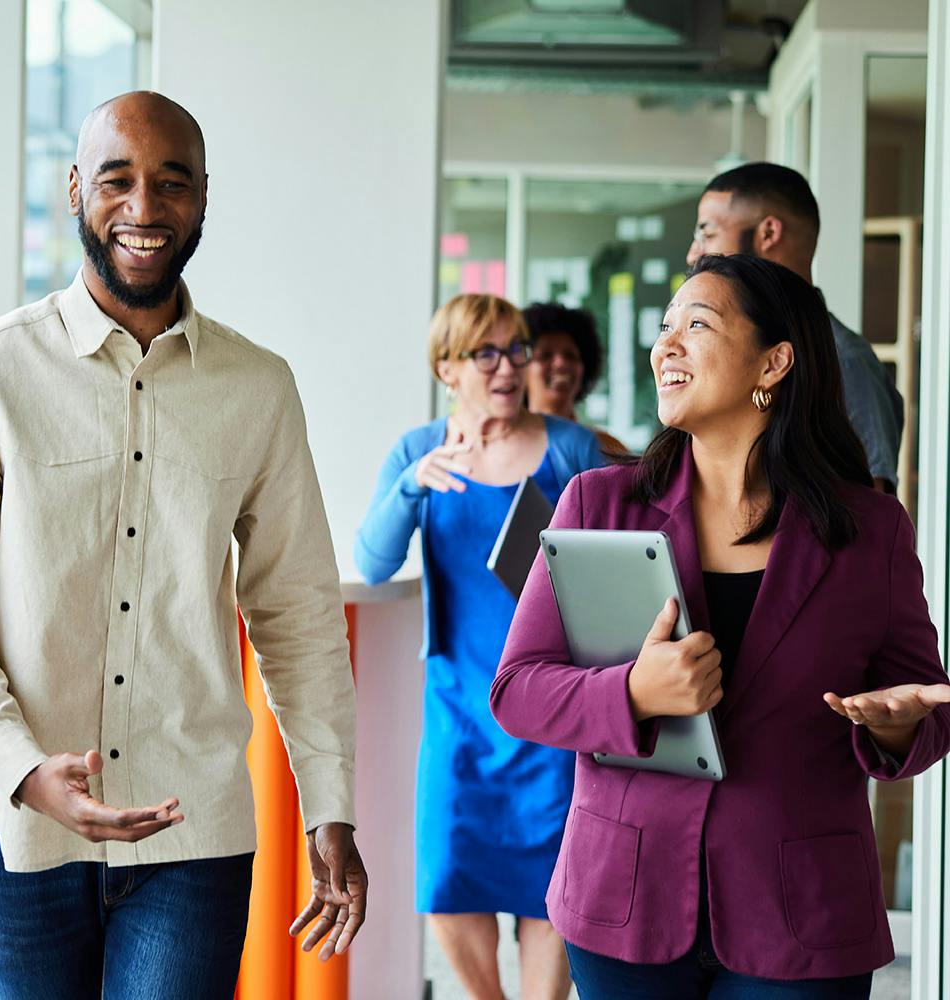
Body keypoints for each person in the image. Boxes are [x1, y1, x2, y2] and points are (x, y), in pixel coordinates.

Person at [0, 91, 366, 999]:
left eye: (171, 183)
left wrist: (330, 807)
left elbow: (295, 609)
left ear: (204, 197)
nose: (144, 208)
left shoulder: (258, 387)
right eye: (117, 180)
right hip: (28, 829)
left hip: (196, 834)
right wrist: (20, 769)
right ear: (74, 191)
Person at [491, 254, 950, 997]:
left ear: (774, 363)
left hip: (803, 914)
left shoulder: (869, 530)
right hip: (624, 904)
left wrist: (896, 729)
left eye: (696, 325)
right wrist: (634, 693)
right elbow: (517, 690)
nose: (665, 345)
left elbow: (924, 704)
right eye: (664, 327)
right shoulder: (597, 503)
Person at [355, 293, 603, 1000]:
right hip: (458, 710)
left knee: (551, 892)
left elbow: (612, 569)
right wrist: (410, 487)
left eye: (516, 349)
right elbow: (372, 563)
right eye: (485, 353)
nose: (507, 367)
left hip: (554, 714)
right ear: (447, 367)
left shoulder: (569, 448)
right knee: (450, 880)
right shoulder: (419, 449)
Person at [687, 161, 903, 493]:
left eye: (708, 233)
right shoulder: (726, 352)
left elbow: (871, 511)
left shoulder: (844, 360)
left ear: (768, 233)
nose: (693, 254)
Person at [523, 301, 626, 458]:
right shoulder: (504, 446)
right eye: (545, 355)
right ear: (520, 369)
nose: (561, 363)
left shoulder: (607, 447)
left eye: (570, 355)